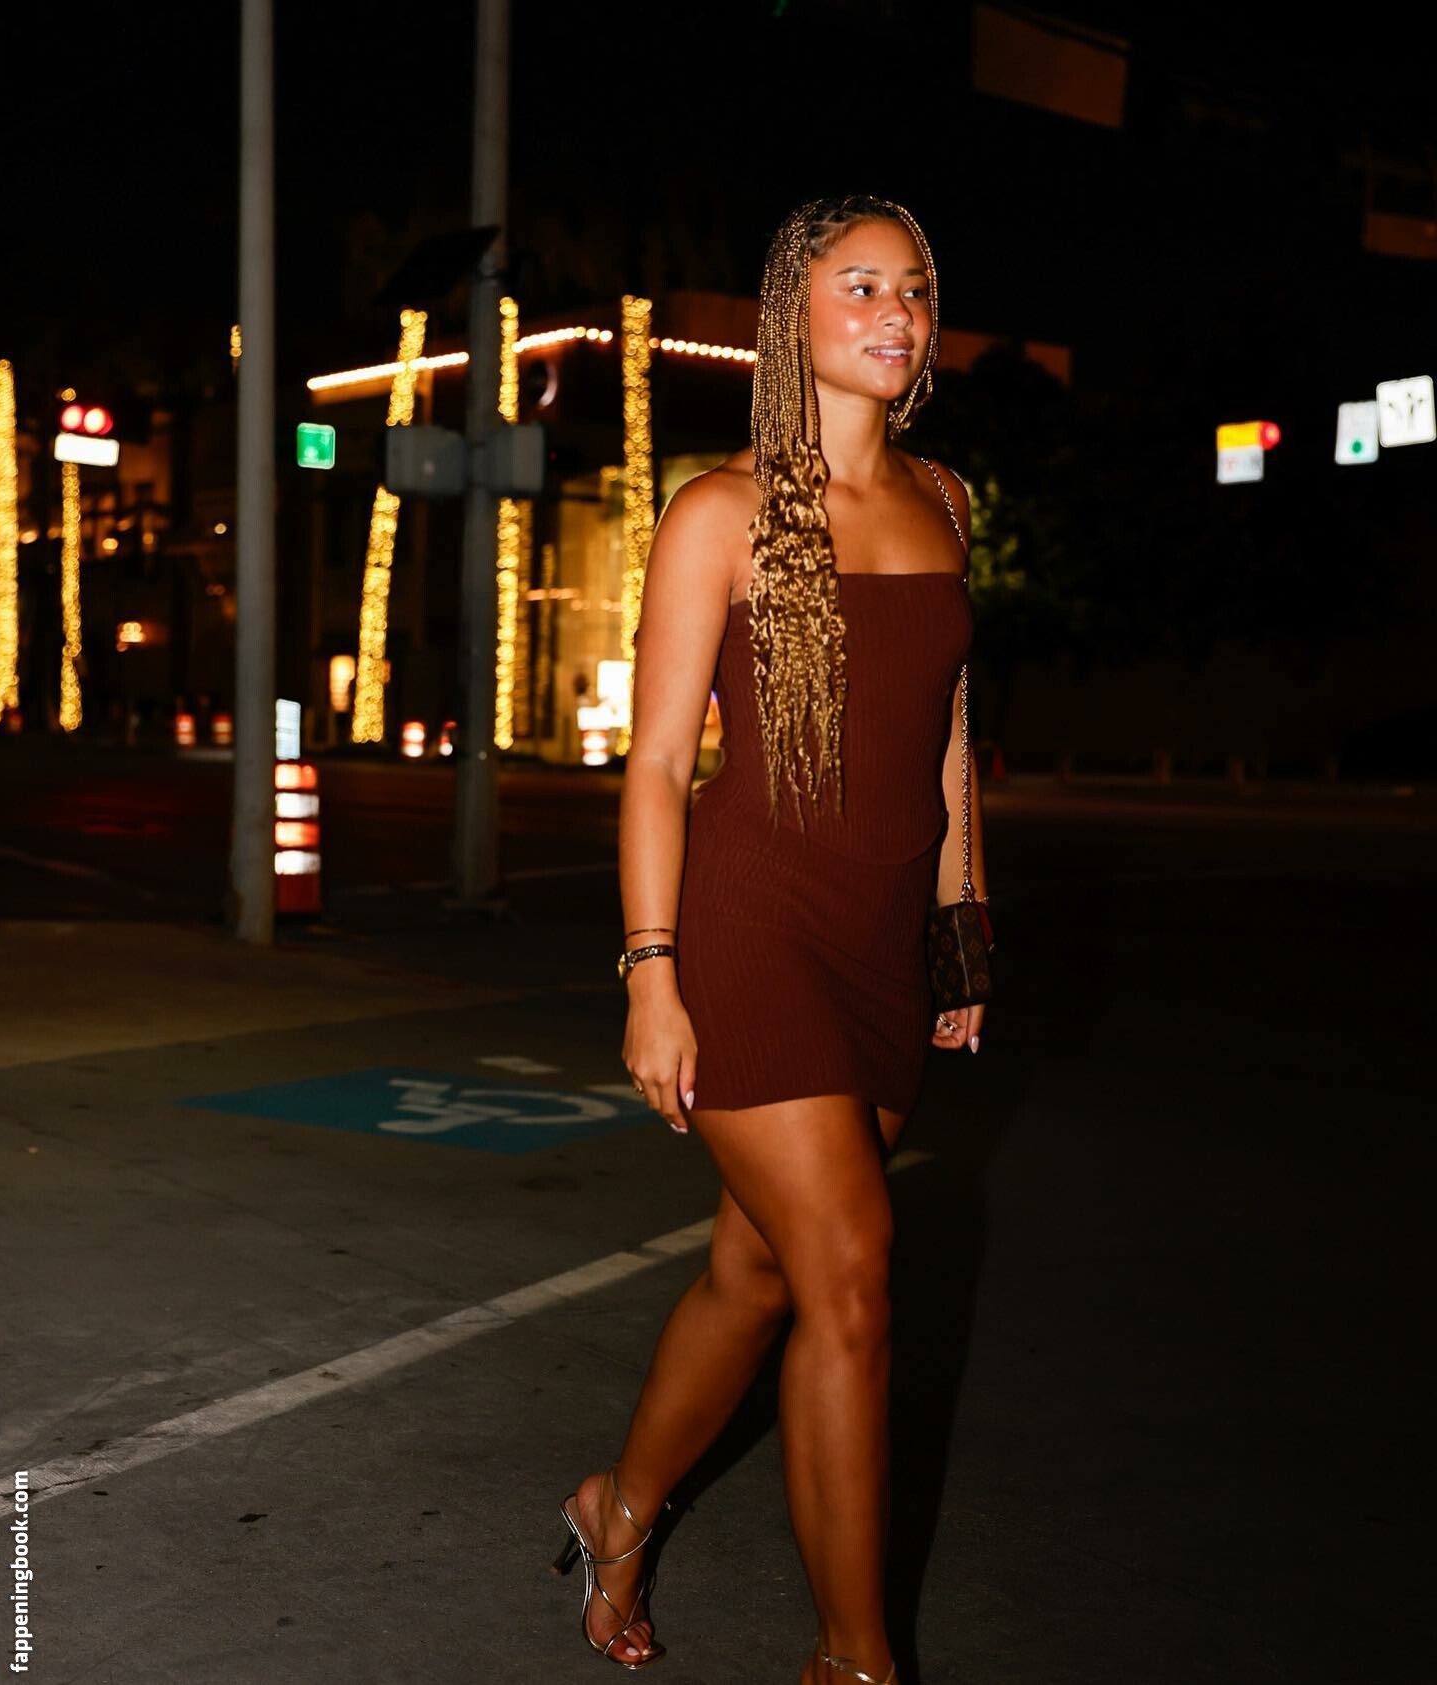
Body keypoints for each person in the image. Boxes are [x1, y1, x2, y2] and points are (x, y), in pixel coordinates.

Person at [552, 194, 990, 1684]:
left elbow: (948, 741)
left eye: (914, 288)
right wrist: (652, 974)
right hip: (748, 928)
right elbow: (659, 766)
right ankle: (855, 1662)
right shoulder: (719, 512)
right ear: (790, 316)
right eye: (859, 285)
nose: (895, 313)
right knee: (853, 1271)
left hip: (881, 942)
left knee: (758, 1277)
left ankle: (617, 1507)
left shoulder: (945, 500)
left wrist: (960, 930)